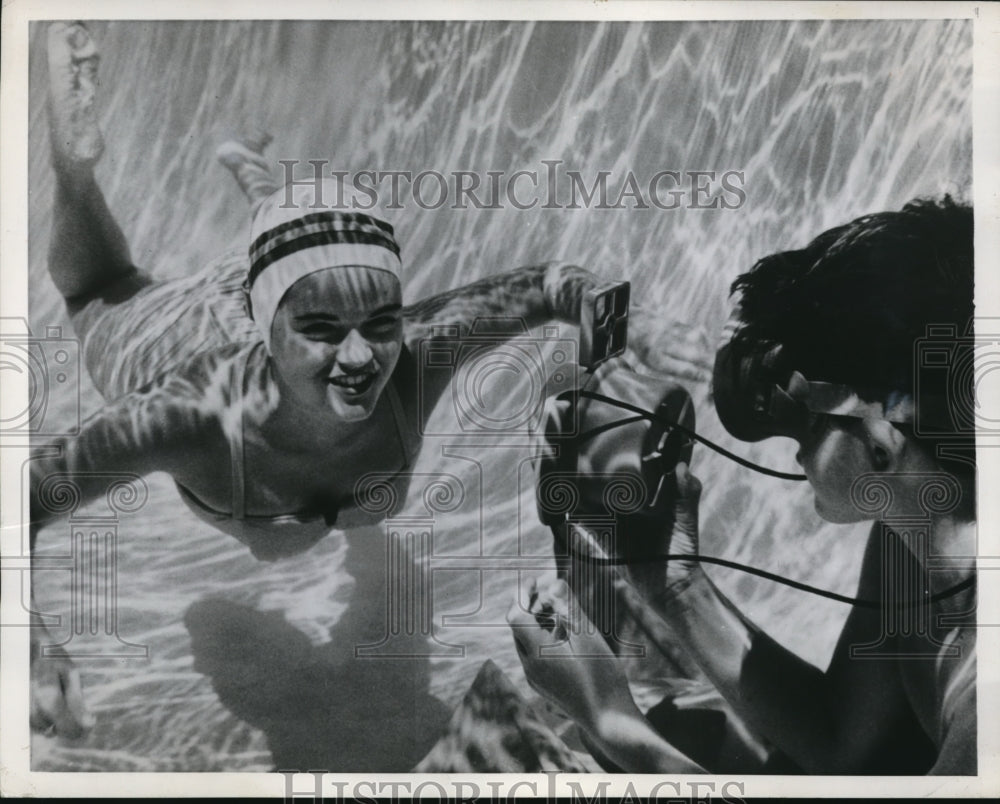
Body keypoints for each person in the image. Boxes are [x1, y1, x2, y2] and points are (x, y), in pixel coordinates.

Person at [30, 22, 711, 743]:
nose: (361, 359)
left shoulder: (415, 350)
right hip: (177, 331)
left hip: (270, 291)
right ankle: (75, 172)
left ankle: (250, 174)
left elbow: (550, 285)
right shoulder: (185, 415)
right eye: (324, 332)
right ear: (271, 330)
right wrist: (34, 646)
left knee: (300, 267)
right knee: (98, 289)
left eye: (380, 322)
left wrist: (633, 326)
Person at [509, 197, 977, 775]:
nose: (789, 441)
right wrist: (673, 580)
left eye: (800, 415)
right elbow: (846, 741)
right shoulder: (916, 535)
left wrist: (611, 720)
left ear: (882, 437)